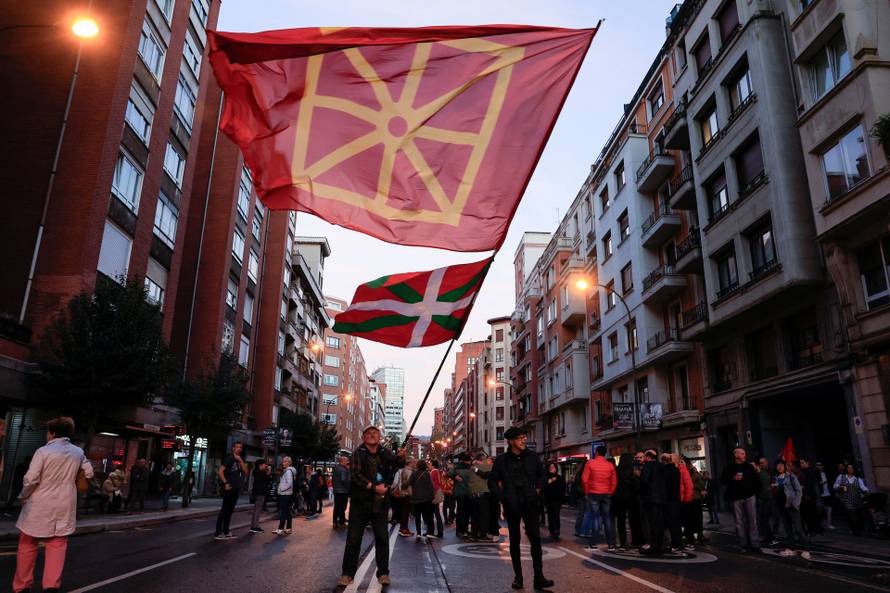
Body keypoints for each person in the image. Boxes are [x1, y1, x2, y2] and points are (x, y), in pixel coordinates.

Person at [13, 416, 93, 593]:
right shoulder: (77, 452)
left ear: (52, 433)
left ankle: (22, 586)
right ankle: (50, 586)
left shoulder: (43, 451)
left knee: (28, 543)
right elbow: (89, 471)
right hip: (65, 504)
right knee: (57, 545)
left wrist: (24, 496)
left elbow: (31, 479)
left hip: (40, 503)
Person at [338, 426, 405, 588]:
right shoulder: (357, 453)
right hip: (360, 503)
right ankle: (347, 573)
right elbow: (355, 475)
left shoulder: (385, 452)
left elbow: (396, 464)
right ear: (363, 437)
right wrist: (373, 487)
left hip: (380, 504)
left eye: (375, 433)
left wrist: (401, 456)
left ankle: (383, 573)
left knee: (382, 538)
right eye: (369, 433)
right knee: (353, 539)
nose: (372, 435)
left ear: (379, 437)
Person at [489, 427, 553, 591]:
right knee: (515, 541)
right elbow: (492, 482)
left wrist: (538, 487)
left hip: (531, 503)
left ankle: (539, 577)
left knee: (535, 539)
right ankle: (518, 577)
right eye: (520, 438)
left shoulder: (532, 457)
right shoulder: (501, 460)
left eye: (524, 437)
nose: (524, 440)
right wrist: (503, 498)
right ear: (511, 442)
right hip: (512, 504)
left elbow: (543, 474)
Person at [720, 448, 760, 552]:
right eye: (742, 454)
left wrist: (755, 492)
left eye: (744, 454)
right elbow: (722, 481)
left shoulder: (749, 467)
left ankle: (755, 544)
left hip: (750, 496)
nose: (744, 456)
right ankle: (743, 544)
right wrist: (733, 478)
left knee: (753, 521)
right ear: (736, 455)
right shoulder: (729, 467)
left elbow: (756, 480)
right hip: (736, 497)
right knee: (739, 522)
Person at [581, 445, 617, 552]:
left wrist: (587, 492)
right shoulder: (610, 465)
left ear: (596, 452)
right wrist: (610, 492)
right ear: (605, 454)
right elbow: (614, 481)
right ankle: (611, 544)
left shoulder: (590, 463)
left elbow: (584, 479)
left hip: (593, 493)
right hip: (606, 493)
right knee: (607, 518)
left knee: (596, 518)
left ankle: (593, 543)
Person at [773, 460, 809, 555]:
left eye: (781, 465)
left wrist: (796, 503)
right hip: (782, 506)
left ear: (785, 466)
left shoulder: (791, 476)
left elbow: (799, 490)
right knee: (787, 528)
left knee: (798, 528)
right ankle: (791, 548)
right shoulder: (775, 478)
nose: (780, 467)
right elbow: (776, 492)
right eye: (778, 466)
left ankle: (806, 549)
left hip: (792, 505)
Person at [214, 441, 247, 540]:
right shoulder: (229, 458)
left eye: (240, 447)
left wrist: (240, 460)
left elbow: (246, 471)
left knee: (230, 511)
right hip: (228, 488)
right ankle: (218, 533)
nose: (239, 449)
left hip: (236, 489)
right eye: (237, 447)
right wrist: (226, 483)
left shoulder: (239, 460)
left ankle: (226, 531)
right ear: (233, 448)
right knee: (224, 510)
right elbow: (220, 471)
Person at [612, 454, 640, 549]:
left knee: (621, 521)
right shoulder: (632, 471)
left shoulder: (616, 470)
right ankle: (635, 541)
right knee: (633, 521)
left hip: (618, 498)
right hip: (631, 499)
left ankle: (623, 543)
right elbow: (636, 485)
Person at [640, 449, 665, 555]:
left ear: (648, 457)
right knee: (659, 523)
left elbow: (644, 481)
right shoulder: (661, 466)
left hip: (651, 498)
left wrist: (639, 475)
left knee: (652, 523)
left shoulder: (648, 466)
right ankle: (660, 546)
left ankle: (653, 547)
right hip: (661, 498)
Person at [834, 463, 869, 535]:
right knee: (851, 513)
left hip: (856, 499)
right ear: (846, 469)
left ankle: (856, 528)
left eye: (852, 468)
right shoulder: (841, 477)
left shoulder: (857, 479)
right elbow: (835, 485)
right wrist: (839, 487)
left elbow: (862, 487)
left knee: (858, 514)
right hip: (846, 499)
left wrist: (866, 491)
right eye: (849, 468)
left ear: (854, 469)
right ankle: (855, 530)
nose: (850, 469)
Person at [468, 452, 494, 541]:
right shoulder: (488, 467)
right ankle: (482, 534)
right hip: (483, 494)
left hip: (472, 494)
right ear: (483, 459)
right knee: (484, 515)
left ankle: (473, 534)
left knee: (474, 516)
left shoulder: (471, 468)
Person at [662, 454, 683, 552]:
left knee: (671, 523)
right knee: (676, 523)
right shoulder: (676, 470)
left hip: (668, 499)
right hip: (676, 499)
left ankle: (674, 544)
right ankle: (678, 544)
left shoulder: (664, 471)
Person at [410, 460, 435, 538]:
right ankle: (429, 532)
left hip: (416, 498)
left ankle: (418, 533)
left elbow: (410, 484)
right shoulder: (427, 474)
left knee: (417, 517)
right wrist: (432, 496)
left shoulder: (413, 474)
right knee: (427, 516)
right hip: (425, 499)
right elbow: (431, 486)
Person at [449, 453, 472, 537]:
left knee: (459, 512)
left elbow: (448, 473)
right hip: (468, 493)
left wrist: (454, 476)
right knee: (466, 513)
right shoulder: (471, 469)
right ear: (468, 461)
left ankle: (459, 531)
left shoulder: (456, 468)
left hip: (459, 493)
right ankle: (465, 530)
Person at [273, 456, 296, 535]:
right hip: (288, 494)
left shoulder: (288, 471)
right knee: (287, 512)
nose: (283, 463)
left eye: (285, 462)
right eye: (283, 462)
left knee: (283, 512)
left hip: (285, 494)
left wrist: (281, 489)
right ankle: (289, 528)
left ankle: (280, 529)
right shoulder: (288, 471)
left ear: (289, 463)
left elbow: (289, 484)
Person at [756, 458, 776, 545]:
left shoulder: (771, 471)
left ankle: (771, 536)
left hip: (769, 498)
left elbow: (773, 483)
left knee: (768, 518)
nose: (761, 464)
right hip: (762, 498)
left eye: (763, 463)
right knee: (763, 519)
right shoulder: (760, 473)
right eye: (760, 463)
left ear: (766, 462)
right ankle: (767, 537)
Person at [685, 461, 706, 545]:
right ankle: (691, 536)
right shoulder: (682, 472)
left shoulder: (695, 473)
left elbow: (701, 485)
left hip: (695, 498)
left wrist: (691, 484)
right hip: (687, 499)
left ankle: (700, 535)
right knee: (689, 519)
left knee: (698, 518)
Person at [542, 463, 565, 540]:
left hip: (557, 500)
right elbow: (543, 488)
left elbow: (562, 488)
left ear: (556, 468)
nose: (552, 468)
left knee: (556, 515)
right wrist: (549, 482)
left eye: (553, 467)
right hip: (548, 500)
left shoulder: (559, 478)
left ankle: (556, 531)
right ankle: (551, 530)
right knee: (550, 516)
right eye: (550, 467)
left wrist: (561, 499)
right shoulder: (546, 478)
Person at [250, 459, 271, 533]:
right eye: (264, 464)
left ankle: (253, 526)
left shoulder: (256, 472)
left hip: (257, 492)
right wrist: (268, 472)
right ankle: (255, 526)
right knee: (258, 510)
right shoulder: (261, 472)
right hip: (260, 493)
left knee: (256, 509)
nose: (266, 466)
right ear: (260, 465)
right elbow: (267, 480)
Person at [396, 457, 416, 536]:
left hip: (404, 493)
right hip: (407, 494)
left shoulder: (406, 470)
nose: (415, 463)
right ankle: (404, 529)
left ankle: (403, 528)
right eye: (413, 462)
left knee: (405, 512)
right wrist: (412, 495)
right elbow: (407, 484)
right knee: (405, 512)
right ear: (410, 463)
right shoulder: (409, 472)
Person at [332, 454, 351, 528]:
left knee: (337, 506)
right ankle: (341, 522)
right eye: (347, 460)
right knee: (342, 507)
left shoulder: (336, 468)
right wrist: (348, 488)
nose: (348, 461)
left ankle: (335, 521)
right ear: (342, 461)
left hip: (337, 491)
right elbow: (344, 480)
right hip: (343, 491)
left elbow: (334, 480)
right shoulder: (343, 469)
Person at [814, 461, 834, 530]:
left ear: (823, 466)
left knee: (829, 509)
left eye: (819, 465)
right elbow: (816, 483)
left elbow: (831, 482)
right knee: (820, 510)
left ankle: (829, 524)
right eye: (817, 465)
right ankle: (822, 524)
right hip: (820, 494)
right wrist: (820, 483)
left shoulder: (826, 473)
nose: (818, 466)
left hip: (828, 493)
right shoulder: (815, 474)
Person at [430, 459, 445, 538]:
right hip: (437, 492)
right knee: (437, 513)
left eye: (430, 464)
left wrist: (432, 494)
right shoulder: (437, 471)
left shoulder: (433, 471)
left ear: (433, 465)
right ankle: (439, 530)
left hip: (435, 493)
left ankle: (439, 531)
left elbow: (433, 484)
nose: (429, 465)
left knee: (436, 513)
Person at [442, 461, 456, 526]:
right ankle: (450, 519)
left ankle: (446, 519)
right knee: (452, 506)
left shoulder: (444, 473)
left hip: (445, 491)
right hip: (451, 491)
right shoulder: (453, 473)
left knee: (445, 506)